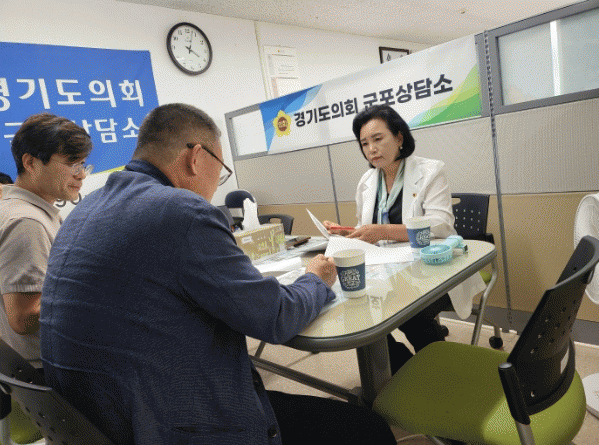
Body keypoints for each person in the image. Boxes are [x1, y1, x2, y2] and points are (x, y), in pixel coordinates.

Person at [40, 103, 396, 445]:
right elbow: (276, 317)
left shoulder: (84, 211)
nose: (217, 184)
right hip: (165, 423)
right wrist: (316, 277)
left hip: (97, 421)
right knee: (368, 429)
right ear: (196, 157)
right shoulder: (182, 210)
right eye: (221, 169)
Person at [323, 104, 455, 373]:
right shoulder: (367, 181)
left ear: (399, 137)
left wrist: (384, 231)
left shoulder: (430, 171)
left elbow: (441, 224)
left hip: (427, 271)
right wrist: (346, 232)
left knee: (409, 313)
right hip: (385, 271)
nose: (371, 149)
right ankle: (404, 371)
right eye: (364, 143)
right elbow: (366, 228)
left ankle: (440, 371)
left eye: (378, 139)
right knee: (357, 313)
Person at [0, 113, 92, 368]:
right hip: (44, 367)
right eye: (71, 163)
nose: (81, 175)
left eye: (83, 164)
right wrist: (91, 291)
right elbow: (23, 319)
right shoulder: (26, 222)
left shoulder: (22, 209)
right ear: (30, 162)